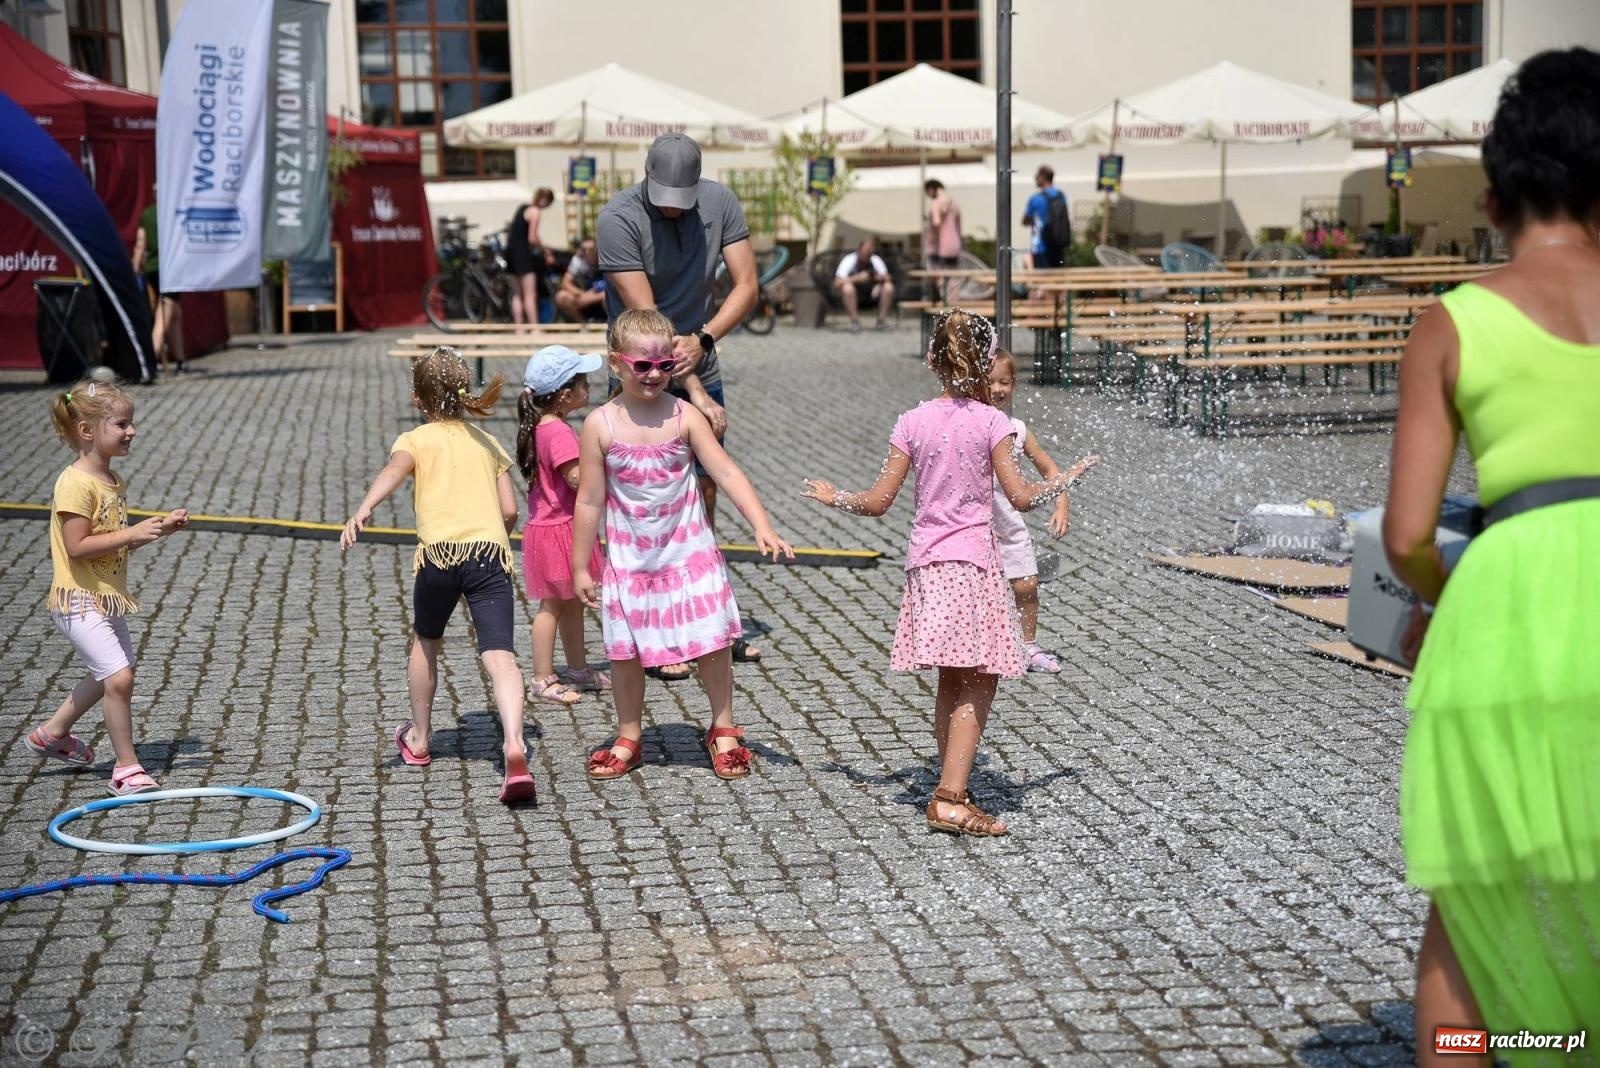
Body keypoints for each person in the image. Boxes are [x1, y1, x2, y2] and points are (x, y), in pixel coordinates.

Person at [1381, 47, 1600, 1063]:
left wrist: (1441, 600)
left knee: (1469, 912)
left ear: (1493, 196)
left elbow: (1406, 536)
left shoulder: (1453, 323)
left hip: (1506, 619)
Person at [802, 311, 1097, 837]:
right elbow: (1021, 498)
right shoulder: (992, 423)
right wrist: (1065, 479)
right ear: (986, 364)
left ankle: (950, 782)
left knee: (951, 677)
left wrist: (835, 497)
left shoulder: (911, 421)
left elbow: (877, 502)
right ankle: (950, 798)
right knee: (980, 678)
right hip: (971, 566)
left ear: (931, 360)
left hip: (926, 566)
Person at [572, 309, 793, 781]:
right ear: (616, 362)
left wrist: (762, 524)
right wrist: (580, 566)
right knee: (625, 653)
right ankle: (629, 734)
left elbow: (725, 471)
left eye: (664, 365)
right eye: (642, 365)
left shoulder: (684, 415)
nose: (654, 374)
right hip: (631, 562)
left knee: (712, 641)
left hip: (690, 554)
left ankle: (723, 726)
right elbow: (589, 499)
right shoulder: (599, 424)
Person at [598, 131, 765, 670]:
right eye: (664, 199)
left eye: (682, 201)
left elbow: (746, 285)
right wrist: (690, 389)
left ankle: (704, 617)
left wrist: (705, 341)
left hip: (698, 355)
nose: (672, 209)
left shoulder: (720, 202)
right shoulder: (618, 218)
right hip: (642, 368)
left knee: (704, 491)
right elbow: (648, 325)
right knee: (642, 501)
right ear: (646, 177)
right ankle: (649, 627)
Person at [340, 348, 535, 805]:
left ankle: (420, 739)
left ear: (417, 397)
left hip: (438, 557)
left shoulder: (415, 439)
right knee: (500, 655)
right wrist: (492, 536)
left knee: (426, 641)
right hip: (488, 555)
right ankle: (514, 743)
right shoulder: (487, 442)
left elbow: (394, 470)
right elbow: (510, 510)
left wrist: (364, 508)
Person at [32, 379, 190, 795]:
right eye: (121, 424)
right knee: (118, 678)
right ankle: (126, 769)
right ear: (87, 431)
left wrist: (158, 530)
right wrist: (131, 533)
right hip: (77, 599)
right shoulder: (75, 484)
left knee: (115, 674)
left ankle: (52, 734)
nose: (132, 431)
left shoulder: (111, 479)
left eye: (130, 423)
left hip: (104, 596)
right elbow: (77, 546)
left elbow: (113, 540)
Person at [987, 350, 1095, 673]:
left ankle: (1028, 647)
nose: (997, 389)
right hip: (977, 526)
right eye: (990, 382)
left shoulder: (1018, 430)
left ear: (1014, 384)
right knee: (983, 591)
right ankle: (985, 646)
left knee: (1026, 585)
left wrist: (1062, 504)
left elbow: (1050, 470)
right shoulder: (971, 425)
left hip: (1009, 521)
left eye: (1004, 382)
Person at [516, 345, 609, 705]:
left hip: (553, 527)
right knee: (553, 606)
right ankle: (542, 677)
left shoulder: (543, 426)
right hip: (558, 530)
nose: (589, 388)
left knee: (571, 604)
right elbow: (575, 478)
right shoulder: (558, 432)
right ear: (566, 395)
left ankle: (577, 668)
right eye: (584, 382)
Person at [131, 186, 185, 374]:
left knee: (175, 314)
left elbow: (140, 245)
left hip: (153, 269)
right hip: (171, 270)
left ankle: (180, 360)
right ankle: (149, 362)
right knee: (164, 317)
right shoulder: (175, 214)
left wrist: (135, 268)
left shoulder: (147, 215)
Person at [507, 188, 556, 327]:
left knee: (517, 295)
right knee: (530, 294)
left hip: (511, 254)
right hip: (523, 255)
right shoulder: (535, 212)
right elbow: (532, 238)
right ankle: (535, 328)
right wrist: (545, 251)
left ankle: (519, 328)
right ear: (545, 200)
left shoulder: (522, 208)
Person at [834, 237, 896, 332]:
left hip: (873, 293)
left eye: (870, 252)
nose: (868, 254)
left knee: (888, 287)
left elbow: (888, 277)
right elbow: (837, 282)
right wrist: (856, 278)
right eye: (866, 252)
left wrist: (874, 278)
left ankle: (881, 321)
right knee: (847, 288)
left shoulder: (875, 259)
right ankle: (855, 321)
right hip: (854, 294)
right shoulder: (849, 260)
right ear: (859, 250)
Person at [1021, 166, 1071, 270]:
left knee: (1041, 277)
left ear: (1043, 177)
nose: (1035, 178)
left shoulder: (1035, 198)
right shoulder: (1061, 196)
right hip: (1058, 246)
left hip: (1041, 247)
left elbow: (1025, 221)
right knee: (1057, 277)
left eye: (1037, 176)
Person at [923, 179, 964, 306]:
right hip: (953, 245)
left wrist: (929, 229)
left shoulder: (935, 203)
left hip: (938, 247)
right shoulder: (954, 203)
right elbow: (959, 226)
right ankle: (954, 306)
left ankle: (945, 306)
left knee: (939, 278)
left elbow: (936, 223)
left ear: (931, 189)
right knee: (953, 279)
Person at [554, 237, 608, 323]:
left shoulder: (606, 258)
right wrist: (581, 294)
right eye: (583, 249)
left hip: (604, 295)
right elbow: (565, 283)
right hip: (585, 295)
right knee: (561, 296)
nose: (586, 252)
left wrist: (593, 297)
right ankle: (583, 324)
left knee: (609, 295)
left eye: (590, 249)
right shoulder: (578, 260)